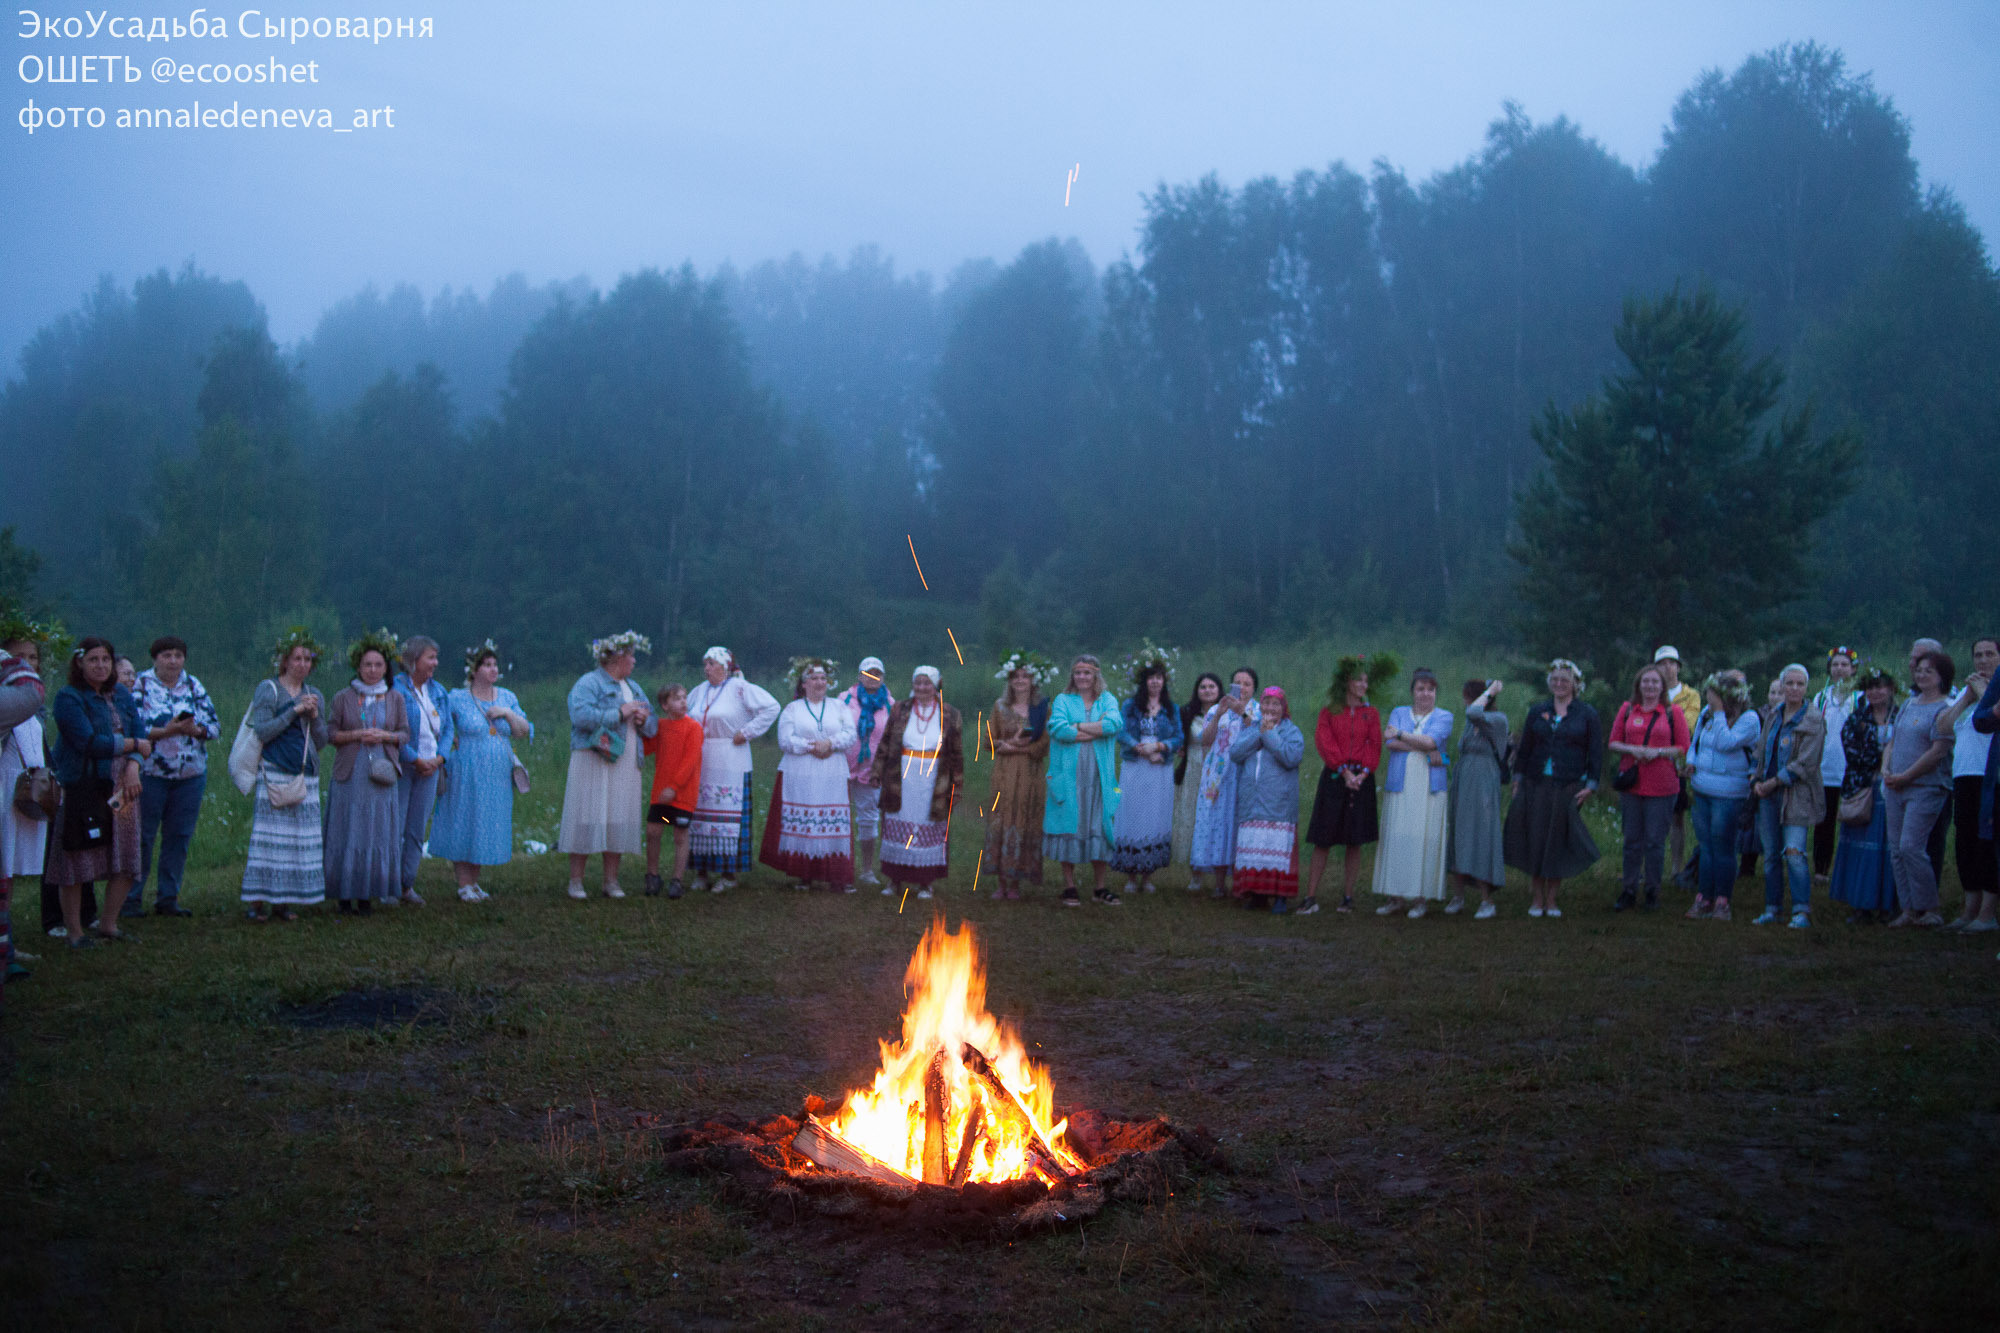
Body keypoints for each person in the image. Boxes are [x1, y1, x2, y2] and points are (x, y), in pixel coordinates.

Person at [46, 637, 148, 945]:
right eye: (93, 659)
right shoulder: (69, 697)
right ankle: (75, 932)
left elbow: (141, 733)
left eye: (106, 659)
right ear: (80, 662)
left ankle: (108, 924)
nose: (101, 665)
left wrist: (134, 765)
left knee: (127, 851)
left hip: (123, 786)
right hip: (85, 785)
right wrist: (133, 745)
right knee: (78, 856)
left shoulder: (121, 694)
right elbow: (88, 742)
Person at [123, 635, 219, 919]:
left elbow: (215, 726)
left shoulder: (194, 685)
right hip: (151, 773)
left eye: (178, 655)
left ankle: (168, 897)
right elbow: (132, 727)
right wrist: (167, 730)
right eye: (166, 655)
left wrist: (196, 730)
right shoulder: (141, 685)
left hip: (189, 775)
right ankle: (130, 899)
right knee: (143, 836)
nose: (173, 661)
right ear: (155, 658)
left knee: (179, 836)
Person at [428, 641, 532, 903]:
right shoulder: (458, 698)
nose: (493, 669)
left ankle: (474, 882)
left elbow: (523, 731)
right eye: (486, 665)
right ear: (474, 670)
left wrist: (507, 714)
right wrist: (448, 743)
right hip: (467, 770)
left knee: (485, 822)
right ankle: (464, 883)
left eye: (495, 664)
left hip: (497, 773)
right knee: (465, 819)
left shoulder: (507, 697)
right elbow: (436, 723)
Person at [241, 629, 331, 922]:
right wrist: (294, 711)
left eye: (307, 659)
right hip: (274, 771)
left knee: (295, 842)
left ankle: (283, 902)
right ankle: (256, 903)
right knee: (268, 841)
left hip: (305, 773)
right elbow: (263, 731)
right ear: (285, 661)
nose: (302, 664)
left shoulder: (314, 694)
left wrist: (314, 717)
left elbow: (321, 741)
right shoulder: (269, 689)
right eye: (297, 658)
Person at [1504, 659, 1603, 919]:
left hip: (1567, 784)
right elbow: (1525, 748)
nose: (1559, 684)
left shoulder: (1586, 714)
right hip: (1536, 783)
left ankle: (1552, 899)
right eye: (1555, 679)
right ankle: (1537, 898)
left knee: (1557, 840)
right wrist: (1518, 779)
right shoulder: (1538, 711)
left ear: (1575, 684)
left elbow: (1595, 752)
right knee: (1536, 839)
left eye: (1565, 680)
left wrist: (1591, 784)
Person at [559, 632, 656, 900]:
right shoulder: (589, 683)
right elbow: (580, 716)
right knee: (586, 816)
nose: (634, 661)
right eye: (631, 656)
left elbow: (652, 724)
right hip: (594, 759)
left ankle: (611, 881)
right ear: (617, 658)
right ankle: (576, 881)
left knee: (617, 818)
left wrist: (643, 720)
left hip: (626, 762)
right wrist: (619, 713)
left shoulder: (634, 687)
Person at [323, 631, 410, 915]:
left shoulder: (395, 698)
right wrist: (357, 735)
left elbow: (405, 734)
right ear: (358, 667)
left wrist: (384, 736)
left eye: (378, 665)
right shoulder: (343, 697)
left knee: (376, 831)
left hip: (381, 773)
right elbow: (330, 733)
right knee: (348, 829)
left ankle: (367, 894)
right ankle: (344, 894)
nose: (372, 670)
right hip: (350, 773)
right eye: (367, 665)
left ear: (386, 668)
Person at [684, 646, 780, 893]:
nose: (706, 668)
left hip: (731, 757)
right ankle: (701, 871)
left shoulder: (740, 688)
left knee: (728, 815)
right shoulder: (699, 691)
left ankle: (728, 873)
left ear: (725, 666)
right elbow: (686, 715)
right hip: (702, 757)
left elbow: (772, 707)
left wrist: (747, 732)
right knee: (700, 814)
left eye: (711, 664)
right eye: (705, 664)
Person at [761, 660, 858, 891]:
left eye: (823, 678)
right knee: (805, 821)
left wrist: (830, 743)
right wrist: (811, 746)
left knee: (832, 821)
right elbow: (785, 740)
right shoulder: (792, 709)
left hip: (832, 771)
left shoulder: (838, 707)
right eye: (814, 678)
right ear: (803, 684)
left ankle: (837, 876)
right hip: (801, 771)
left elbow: (850, 734)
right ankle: (804, 874)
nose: (819, 682)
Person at [870, 665, 964, 900]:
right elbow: (885, 742)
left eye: (927, 683)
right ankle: (894, 880)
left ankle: (925, 882)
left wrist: (957, 786)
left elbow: (956, 754)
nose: (922, 688)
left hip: (934, 779)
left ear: (936, 685)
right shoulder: (900, 709)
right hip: (901, 776)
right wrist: (877, 771)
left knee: (929, 824)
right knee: (897, 821)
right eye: (918, 683)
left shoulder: (950, 714)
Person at [1606, 663, 1690, 912]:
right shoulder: (1627, 709)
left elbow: (1683, 747)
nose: (1650, 686)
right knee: (1632, 840)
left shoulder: (1673, 712)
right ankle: (1629, 889)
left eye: (1655, 682)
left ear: (1662, 686)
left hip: (1662, 786)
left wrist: (1659, 752)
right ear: (1638, 685)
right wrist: (1633, 749)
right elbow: (1613, 742)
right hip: (1632, 784)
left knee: (1655, 841)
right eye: (1646, 681)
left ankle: (1653, 890)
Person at [1371, 668, 1455, 917]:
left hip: (1429, 788)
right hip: (1401, 784)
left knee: (1423, 838)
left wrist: (1402, 735)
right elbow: (1390, 743)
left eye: (1430, 689)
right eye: (1420, 689)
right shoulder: (1399, 712)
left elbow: (1431, 741)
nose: (1425, 694)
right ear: (1413, 691)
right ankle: (1395, 896)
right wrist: (1424, 746)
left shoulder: (1444, 716)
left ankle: (1420, 898)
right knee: (1397, 836)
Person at [1881, 650, 1955, 929]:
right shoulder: (1909, 704)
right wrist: (1886, 769)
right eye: (1919, 670)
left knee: (1911, 847)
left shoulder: (1945, 709)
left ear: (1942, 676)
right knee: (1896, 849)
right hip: (1894, 786)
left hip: (1925, 787)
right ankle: (1908, 909)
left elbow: (1937, 752)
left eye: (1929, 671)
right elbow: (1892, 742)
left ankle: (1930, 908)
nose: (1922, 675)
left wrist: (1906, 776)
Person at [1748, 664, 1825, 928]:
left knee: (1794, 853)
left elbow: (1806, 763)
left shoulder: (1813, 719)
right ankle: (1773, 908)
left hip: (1796, 794)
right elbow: (1760, 750)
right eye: (1789, 683)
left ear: (1806, 687)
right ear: (1781, 686)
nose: (1794, 688)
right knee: (1771, 854)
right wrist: (1754, 777)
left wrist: (1773, 782)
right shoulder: (1773, 715)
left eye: (1799, 684)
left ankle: (1801, 910)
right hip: (1767, 795)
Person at [1304, 657, 1382, 915]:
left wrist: (1364, 773)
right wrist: (1344, 771)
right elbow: (1324, 741)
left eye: (1366, 681)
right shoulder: (1330, 711)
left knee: (1354, 840)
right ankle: (1310, 896)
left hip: (1361, 781)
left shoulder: (1371, 714)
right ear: (1346, 682)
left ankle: (1348, 897)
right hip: (1336, 778)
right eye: (1359, 680)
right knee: (1322, 838)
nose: (1363, 685)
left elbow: (1374, 744)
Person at [1045, 654, 1124, 906]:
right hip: (1070, 776)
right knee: (1069, 824)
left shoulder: (1107, 700)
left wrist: (1077, 726)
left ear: (1095, 675)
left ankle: (1100, 887)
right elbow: (1058, 728)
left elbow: (1113, 725)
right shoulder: (1063, 700)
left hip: (1099, 777)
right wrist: (1093, 729)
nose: (1082, 677)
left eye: (1087, 673)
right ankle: (1070, 886)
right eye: (1078, 672)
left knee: (1099, 826)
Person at [1683, 669, 1760, 923]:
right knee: (1706, 846)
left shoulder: (1749, 719)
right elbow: (1696, 742)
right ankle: (1704, 897)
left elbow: (1725, 743)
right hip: (1702, 789)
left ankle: (1722, 900)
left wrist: (1718, 713)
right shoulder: (1707, 714)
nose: (1710, 699)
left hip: (1728, 794)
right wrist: (1691, 761)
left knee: (1723, 846)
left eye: (1714, 695)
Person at [1829, 667, 1901, 923]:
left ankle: (1889, 904)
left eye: (1879, 686)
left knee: (1889, 846)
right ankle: (1862, 904)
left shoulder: (1901, 716)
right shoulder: (1856, 718)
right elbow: (1852, 752)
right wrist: (1881, 759)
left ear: (1890, 689)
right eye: (1870, 687)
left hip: (1895, 786)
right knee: (1862, 848)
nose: (1875, 692)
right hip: (1863, 787)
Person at [1, 630, 49, 991]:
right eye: (20, 657)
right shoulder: (15, 696)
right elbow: (29, 690)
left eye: (34, 658)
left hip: (19, 787)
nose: (27, 664)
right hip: (4, 785)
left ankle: (7, 947)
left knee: (9, 870)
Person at [1939, 637, 1998, 933]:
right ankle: (1969, 909)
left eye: (1989, 654)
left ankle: (1988, 914)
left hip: (1990, 776)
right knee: (1965, 842)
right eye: (1978, 655)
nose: (1983, 660)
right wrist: (1966, 698)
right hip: (1963, 775)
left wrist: (1985, 692)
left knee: (1988, 843)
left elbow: (1989, 720)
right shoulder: (1967, 691)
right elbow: (1943, 727)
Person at [390, 635, 454, 908]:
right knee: (395, 827)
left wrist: (439, 759)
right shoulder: (396, 689)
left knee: (417, 829)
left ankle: (407, 884)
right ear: (414, 660)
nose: (435, 663)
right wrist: (415, 759)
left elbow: (448, 729)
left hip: (431, 769)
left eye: (436, 658)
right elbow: (392, 728)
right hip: (403, 768)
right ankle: (389, 886)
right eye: (431, 657)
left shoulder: (438, 691)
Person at [1230, 685, 1306, 912]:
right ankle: (1257, 895)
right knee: (1255, 848)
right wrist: (1259, 732)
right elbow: (1235, 753)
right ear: (1260, 705)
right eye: (1266, 703)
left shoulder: (1291, 731)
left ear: (1284, 708)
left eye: (1276, 704)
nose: (1270, 708)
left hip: (1278, 803)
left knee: (1277, 849)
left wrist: (1269, 734)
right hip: (1252, 802)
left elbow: (1291, 757)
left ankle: (1280, 896)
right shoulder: (1252, 727)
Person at [984, 653, 1052, 900]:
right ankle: (1001, 881)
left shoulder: (1042, 708)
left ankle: (1016, 882)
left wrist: (1019, 748)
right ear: (1009, 680)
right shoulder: (1000, 707)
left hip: (1030, 773)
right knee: (1001, 819)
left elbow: (1045, 743)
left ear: (1033, 680)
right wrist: (1006, 743)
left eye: (1025, 676)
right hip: (1004, 772)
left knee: (1024, 819)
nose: (1021, 680)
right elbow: (988, 740)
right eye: (1016, 676)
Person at [1111, 660, 1182, 894]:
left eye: (1159, 677)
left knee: (1154, 815)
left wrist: (1160, 747)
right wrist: (1140, 748)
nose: (1155, 681)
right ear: (1144, 681)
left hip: (1159, 767)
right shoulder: (1131, 705)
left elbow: (1179, 737)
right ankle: (1131, 876)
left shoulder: (1170, 708)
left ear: (1164, 681)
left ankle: (1148, 875)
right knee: (1132, 813)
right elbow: (1121, 731)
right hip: (1136, 764)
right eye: (1151, 677)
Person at [1190, 669, 1260, 897]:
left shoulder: (1258, 710)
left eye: (1247, 684)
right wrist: (1220, 714)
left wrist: (1242, 713)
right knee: (1218, 822)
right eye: (1238, 683)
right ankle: (1219, 884)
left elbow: (1261, 735)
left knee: (1241, 822)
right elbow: (1205, 740)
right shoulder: (1216, 709)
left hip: (1245, 772)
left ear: (1254, 688)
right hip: (1218, 774)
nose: (1242, 688)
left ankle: (1243, 882)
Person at [1450, 680, 1508, 919]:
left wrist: (1490, 691)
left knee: (1482, 832)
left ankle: (1486, 900)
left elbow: (1474, 713)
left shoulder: (1497, 719)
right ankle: (1458, 895)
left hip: (1484, 777)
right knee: (1459, 830)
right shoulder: (1470, 722)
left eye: (1468, 697)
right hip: (1465, 775)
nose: (1465, 702)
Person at [838, 656, 896, 889]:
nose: (873, 677)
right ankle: (840, 865)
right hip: (842, 766)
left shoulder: (890, 703)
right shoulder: (844, 699)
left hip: (872, 770)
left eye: (877, 673)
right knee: (839, 815)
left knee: (868, 819)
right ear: (859, 676)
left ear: (883, 677)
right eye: (868, 673)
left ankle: (867, 869)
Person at [642, 683, 701, 899]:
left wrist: (674, 787)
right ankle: (652, 875)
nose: (683, 702)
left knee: (680, 834)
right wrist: (640, 726)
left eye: (684, 697)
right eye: (677, 699)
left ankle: (677, 880)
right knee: (653, 831)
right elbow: (647, 748)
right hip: (661, 797)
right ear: (665, 705)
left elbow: (690, 761)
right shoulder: (660, 726)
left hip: (682, 796)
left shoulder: (693, 728)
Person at [1810, 647, 1861, 880]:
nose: (1840, 669)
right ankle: (1821, 870)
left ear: (1853, 669)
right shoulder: (1821, 698)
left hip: (1852, 770)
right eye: (1835, 665)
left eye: (1844, 664)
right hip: (1825, 770)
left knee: (1854, 820)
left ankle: (1851, 871)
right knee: (1824, 821)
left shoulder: (1860, 698)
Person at [1170, 672, 1224, 878]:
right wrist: (1180, 747)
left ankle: (1219, 873)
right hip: (1193, 769)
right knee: (1193, 816)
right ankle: (1195, 874)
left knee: (1217, 817)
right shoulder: (1187, 713)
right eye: (1203, 687)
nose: (1207, 690)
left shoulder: (1227, 714)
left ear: (1219, 690)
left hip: (1219, 770)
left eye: (1212, 686)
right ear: (1197, 691)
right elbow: (1178, 737)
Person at [1655, 646, 1701, 881]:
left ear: (1678, 667)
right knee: (1649, 816)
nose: (1667, 667)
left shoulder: (1691, 695)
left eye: (1671, 663)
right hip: (1651, 760)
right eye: (1662, 663)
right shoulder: (1648, 690)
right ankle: (1648, 866)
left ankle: (1676, 866)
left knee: (1677, 815)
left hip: (1677, 761)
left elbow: (1689, 724)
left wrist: (1659, 725)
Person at [1909, 637, 1953, 884]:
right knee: (1905, 846)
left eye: (1922, 660)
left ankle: (1928, 897)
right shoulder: (1908, 697)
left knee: (1930, 844)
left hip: (1934, 783)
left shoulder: (1949, 700)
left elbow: (1940, 749)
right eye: (1913, 660)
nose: (1915, 665)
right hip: (1903, 783)